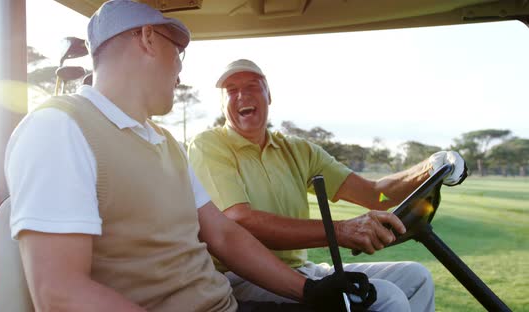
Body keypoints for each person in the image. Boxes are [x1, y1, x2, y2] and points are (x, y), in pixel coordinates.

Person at [4, 1, 377, 311]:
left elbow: (224, 234)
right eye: (178, 51)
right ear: (148, 38)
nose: (180, 71)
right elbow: (59, 292)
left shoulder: (166, 142)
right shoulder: (59, 128)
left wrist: (308, 291)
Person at [188, 59, 469, 312]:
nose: (242, 95)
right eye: (231, 90)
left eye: (252, 86)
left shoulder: (298, 150)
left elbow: (376, 195)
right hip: (240, 275)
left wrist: (430, 167)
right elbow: (240, 221)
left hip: (302, 268)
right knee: (386, 297)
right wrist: (340, 231)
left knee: (417, 277)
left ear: (269, 96)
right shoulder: (210, 145)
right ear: (222, 103)